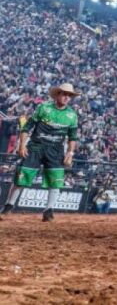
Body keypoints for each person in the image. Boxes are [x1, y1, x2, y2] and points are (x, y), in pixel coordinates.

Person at [1, 83, 81, 222]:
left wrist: (70, 153)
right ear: (57, 94)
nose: (67, 97)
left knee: (55, 181)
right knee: (22, 177)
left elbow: (73, 137)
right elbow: (27, 127)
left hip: (55, 151)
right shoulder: (43, 107)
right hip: (35, 147)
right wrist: (21, 146)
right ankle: (8, 206)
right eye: (64, 94)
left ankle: (48, 211)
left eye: (69, 95)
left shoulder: (72, 115)